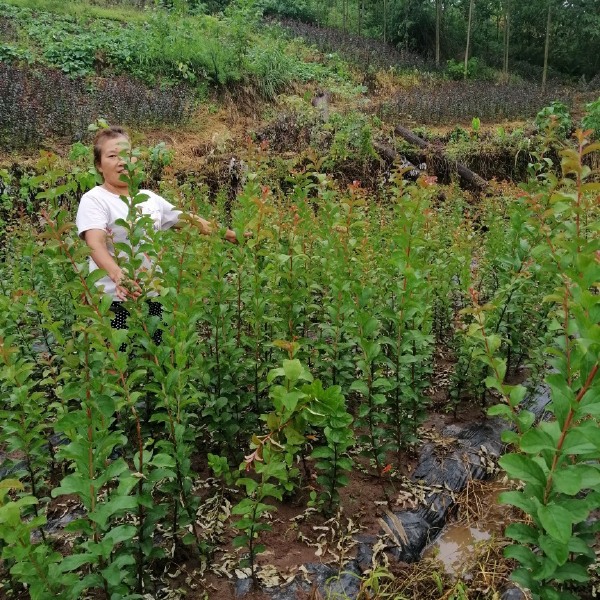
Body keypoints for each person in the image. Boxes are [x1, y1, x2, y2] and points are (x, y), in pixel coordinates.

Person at [76, 125, 237, 341]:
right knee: (119, 362)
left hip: (152, 297)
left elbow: (190, 220)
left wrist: (232, 235)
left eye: (127, 154)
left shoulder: (149, 198)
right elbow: (94, 242)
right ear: (99, 165)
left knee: (156, 356)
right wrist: (118, 275)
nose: (122, 161)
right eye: (113, 155)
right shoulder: (95, 199)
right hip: (114, 300)